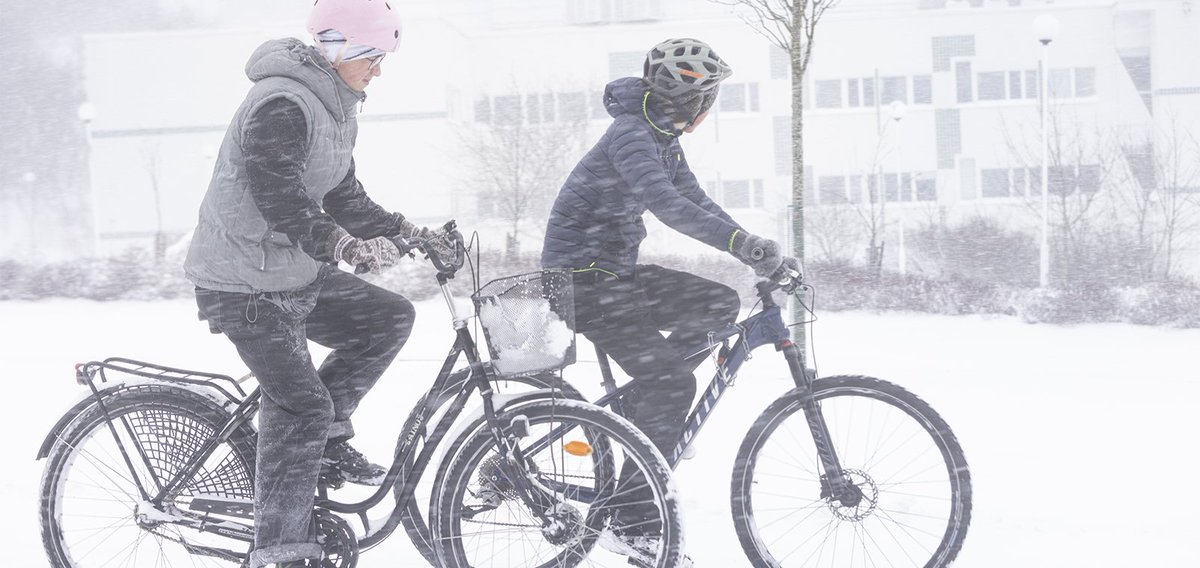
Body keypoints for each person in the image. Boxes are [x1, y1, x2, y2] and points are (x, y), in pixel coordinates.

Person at [183, 1, 448, 566]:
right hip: (243, 283)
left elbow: (341, 195)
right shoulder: (282, 102)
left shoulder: (333, 107)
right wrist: (341, 246)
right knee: (300, 407)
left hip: (289, 274)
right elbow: (277, 195)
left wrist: (407, 232)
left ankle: (324, 445)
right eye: (372, 57)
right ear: (339, 48)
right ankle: (279, 548)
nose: (378, 70)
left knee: (387, 318)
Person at [541, 37, 801, 562]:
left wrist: (754, 250)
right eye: (709, 96)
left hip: (612, 275)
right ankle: (632, 520)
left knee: (716, 305)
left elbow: (694, 199)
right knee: (674, 382)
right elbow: (665, 204)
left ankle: (643, 414)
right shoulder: (632, 136)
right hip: (580, 283)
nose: (710, 107)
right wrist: (742, 245)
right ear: (692, 100)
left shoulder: (660, 136)